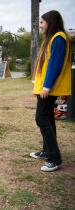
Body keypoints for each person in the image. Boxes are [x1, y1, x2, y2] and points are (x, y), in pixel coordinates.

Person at [30, 10, 72, 172]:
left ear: (50, 22)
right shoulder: (52, 39)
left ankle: (55, 158)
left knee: (41, 119)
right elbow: (46, 64)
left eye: (42, 22)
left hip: (49, 88)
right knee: (47, 118)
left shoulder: (59, 38)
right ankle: (48, 150)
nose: (40, 25)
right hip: (45, 87)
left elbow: (55, 65)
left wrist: (46, 86)